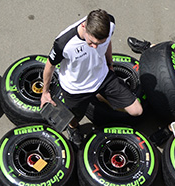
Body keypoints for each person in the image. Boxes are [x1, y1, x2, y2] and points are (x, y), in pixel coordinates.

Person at [41, 9, 143, 146]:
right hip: (76, 88)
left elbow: (108, 43)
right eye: (91, 42)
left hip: (102, 77)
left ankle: (99, 96)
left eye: (99, 43)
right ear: (84, 26)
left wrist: (109, 63)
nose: (94, 47)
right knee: (73, 119)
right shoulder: (63, 42)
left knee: (137, 111)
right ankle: (73, 129)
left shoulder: (110, 23)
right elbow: (49, 65)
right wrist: (45, 92)